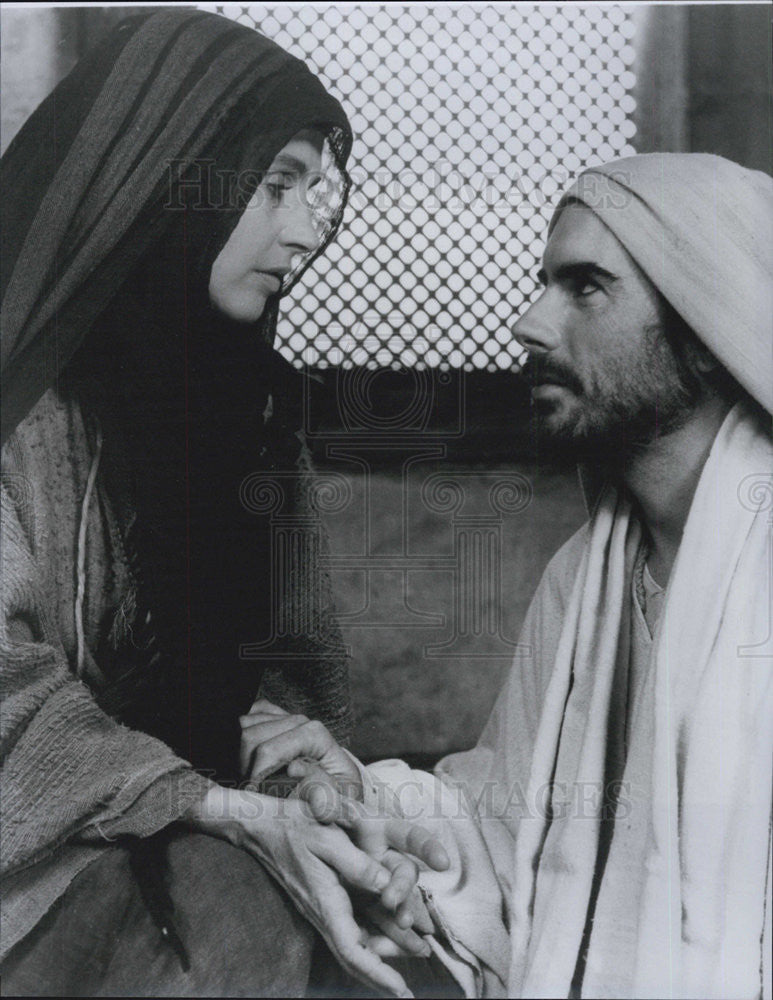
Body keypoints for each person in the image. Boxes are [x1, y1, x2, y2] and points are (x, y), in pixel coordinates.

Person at [242, 152, 773, 999]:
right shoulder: (587, 578)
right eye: (541, 283)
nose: (528, 324)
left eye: (585, 287)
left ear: (707, 337)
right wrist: (349, 789)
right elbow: (509, 836)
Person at [0, 10, 448, 997]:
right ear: (165, 179)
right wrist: (206, 801)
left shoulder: (246, 410)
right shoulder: (19, 402)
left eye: (315, 193)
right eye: (275, 183)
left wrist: (287, 756)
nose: (305, 231)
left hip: (193, 833)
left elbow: (261, 673)